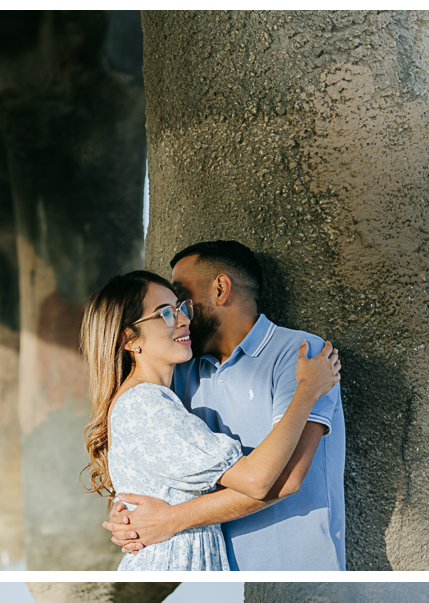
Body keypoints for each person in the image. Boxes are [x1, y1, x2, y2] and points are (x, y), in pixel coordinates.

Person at [104, 241, 347, 571]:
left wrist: (169, 519)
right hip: (217, 568)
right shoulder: (180, 371)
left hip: (294, 569)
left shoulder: (301, 355)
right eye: (167, 311)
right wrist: (128, 515)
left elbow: (285, 479)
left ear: (220, 289)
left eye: (181, 301)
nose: (180, 316)